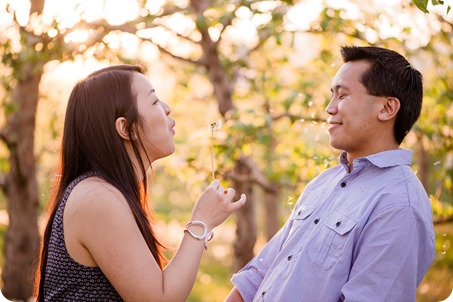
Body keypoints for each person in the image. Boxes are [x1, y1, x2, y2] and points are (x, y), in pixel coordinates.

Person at [225, 46, 435, 302]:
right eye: (331, 96)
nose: (329, 108)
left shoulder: (399, 205)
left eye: (342, 96)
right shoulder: (324, 182)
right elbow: (257, 278)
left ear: (387, 108)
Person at [34, 64, 246, 301]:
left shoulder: (105, 193)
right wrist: (201, 222)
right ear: (126, 128)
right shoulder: (96, 198)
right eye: (155, 102)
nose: (167, 108)